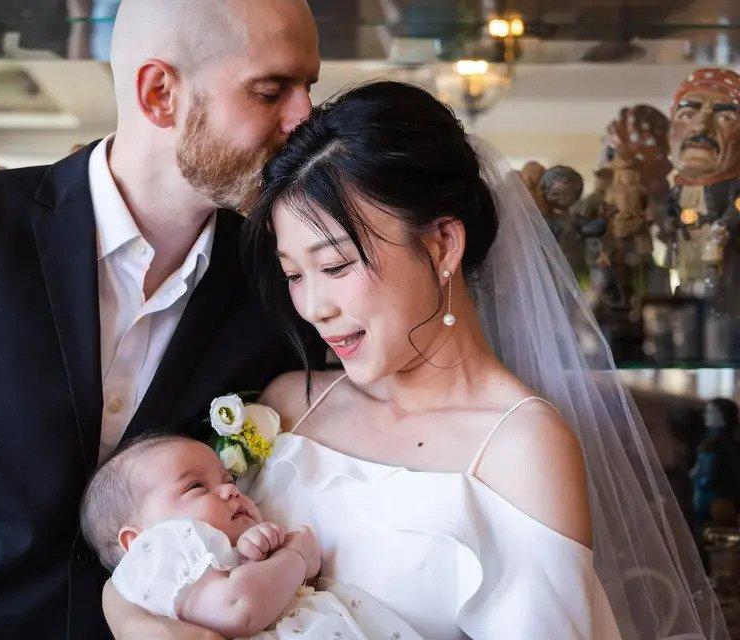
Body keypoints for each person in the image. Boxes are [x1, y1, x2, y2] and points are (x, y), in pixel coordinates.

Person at [106, 82, 728, 639]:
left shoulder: (521, 446)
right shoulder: (289, 402)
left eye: (336, 265)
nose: (313, 306)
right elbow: (157, 557)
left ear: (440, 245)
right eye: (295, 274)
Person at [0, 1, 323, 638]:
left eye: (307, 88)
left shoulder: (276, 285)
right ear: (159, 94)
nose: (304, 119)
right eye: (271, 91)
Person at [82, 433, 422, 639]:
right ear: (137, 543)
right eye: (196, 486)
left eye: (228, 480)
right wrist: (296, 558)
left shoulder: (216, 557)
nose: (230, 491)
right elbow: (239, 606)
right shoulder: (164, 552)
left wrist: (255, 555)